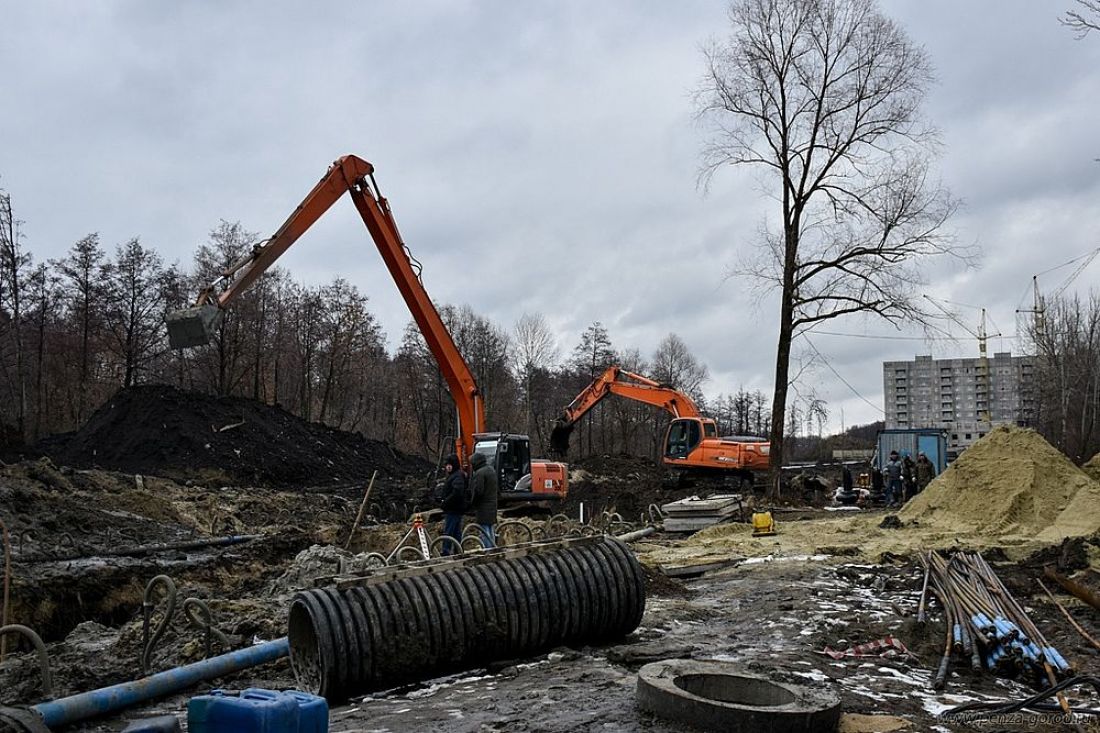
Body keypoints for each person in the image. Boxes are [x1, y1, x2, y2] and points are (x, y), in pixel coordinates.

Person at [468, 451, 498, 548]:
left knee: (484, 530)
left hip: (483, 506)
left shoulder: (480, 473)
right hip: (492, 504)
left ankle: (487, 550)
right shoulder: (491, 470)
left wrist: (473, 503)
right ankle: (492, 548)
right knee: (490, 528)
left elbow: (478, 491)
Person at [438, 454, 466, 556]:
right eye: (447, 465)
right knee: (456, 531)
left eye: (449, 465)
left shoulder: (457, 476)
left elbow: (456, 493)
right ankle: (458, 550)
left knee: (449, 530)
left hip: (453, 508)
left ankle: (446, 550)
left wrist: (445, 502)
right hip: (456, 508)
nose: (447, 467)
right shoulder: (456, 475)